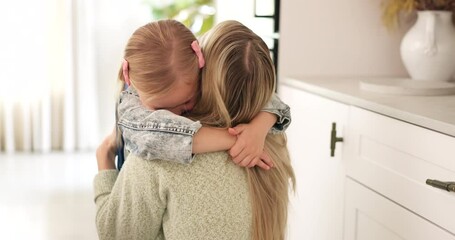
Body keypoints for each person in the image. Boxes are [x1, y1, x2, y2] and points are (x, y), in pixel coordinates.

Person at [94, 20, 295, 240]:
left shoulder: (157, 155)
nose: (176, 111)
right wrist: (259, 126)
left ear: (201, 68)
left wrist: (104, 158)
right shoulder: (271, 144)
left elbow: (115, 234)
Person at [115, 19, 290, 170]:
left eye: (187, 100)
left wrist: (258, 128)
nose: (178, 113)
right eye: (161, 109)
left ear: (200, 63)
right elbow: (153, 137)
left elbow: (269, 99)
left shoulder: (187, 68)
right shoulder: (132, 107)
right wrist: (238, 140)